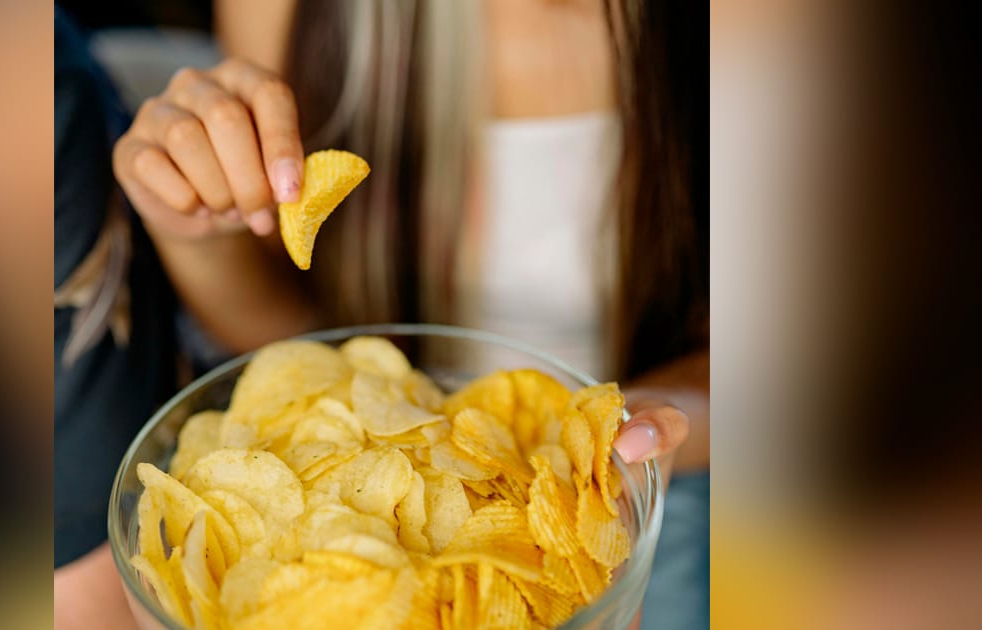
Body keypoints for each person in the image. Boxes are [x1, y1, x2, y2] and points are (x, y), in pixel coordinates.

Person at [58, 1, 708, 628]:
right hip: (372, 446)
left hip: (653, 476)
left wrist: (642, 430)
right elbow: (284, 348)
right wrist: (195, 227)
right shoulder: (287, 9)